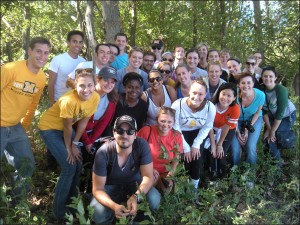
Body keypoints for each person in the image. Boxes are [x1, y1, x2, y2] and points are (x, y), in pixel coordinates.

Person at [38, 68, 99, 220]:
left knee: (78, 162)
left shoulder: (95, 98)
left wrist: (75, 143)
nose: (86, 90)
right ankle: (59, 212)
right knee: (68, 165)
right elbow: (66, 127)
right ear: (75, 86)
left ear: (95, 85)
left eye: (90, 85)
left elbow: (82, 122)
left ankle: (73, 203)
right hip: (50, 129)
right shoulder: (68, 101)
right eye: (82, 86)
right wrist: (69, 148)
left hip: (67, 130)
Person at [1, 37, 51, 200]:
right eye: (38, 51)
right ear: (29, 51)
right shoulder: (10, 69)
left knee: (26, 164)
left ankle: (18, 204)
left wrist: (26, 125)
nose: (42, 56)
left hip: (15, 127)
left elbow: (33, 103)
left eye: (46, 53)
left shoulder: (41, 78)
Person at [90, 115, 161, 224]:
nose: (124, 135)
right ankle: (113, 217)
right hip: (110, 187)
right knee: (97, 212)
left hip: (134, 184)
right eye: (120, 130)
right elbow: (98, 189)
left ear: (135, 134)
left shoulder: (141, 145)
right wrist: (114, 206)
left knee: (154, 198)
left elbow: (148, 176)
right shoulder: (103, 152)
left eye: (130, 131)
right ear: (114, 132)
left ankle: (136, 219)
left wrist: (136, 197)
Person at [79, 67, 118, 193]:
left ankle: (91, 191)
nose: (109, 84)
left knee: (96, 160)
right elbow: (78, 122)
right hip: (78, 132)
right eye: (106, 80)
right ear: (98, 79)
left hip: (94, 135)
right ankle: (77, 191)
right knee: (78, 162)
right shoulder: (86, 94)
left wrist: (92, 142)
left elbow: (103, 124)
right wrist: (87, 142)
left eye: (112, 82)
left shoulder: (112, 99)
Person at [171, 80, 216, 190]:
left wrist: (196, 145)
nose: (196, 97)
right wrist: (186, 148)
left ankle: (194, 187)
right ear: (189, 92)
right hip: (181, 132)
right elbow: (175, 126)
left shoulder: (210, 107)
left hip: (198, 132)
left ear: (205, 94)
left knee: (196, 157)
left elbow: (207, 126)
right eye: (194, 93)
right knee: (185, 158)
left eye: (200, 94)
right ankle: (181, 185)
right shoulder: (178, 105)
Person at [137, 106, 183, 194]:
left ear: (173, 122)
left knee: (166, 189)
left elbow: (176, 159)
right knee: (150, 186)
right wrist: (149, 169)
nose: (165, 125)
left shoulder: (177, 136)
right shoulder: (147, 131)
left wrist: (170, 175)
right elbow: (135, 152)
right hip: (146, 169)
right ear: (157, 120)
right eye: (162, 121)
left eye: (169, 122)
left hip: (164, 172)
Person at [260, 66, 296, 165]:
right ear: (262, 77)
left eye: (271, 76)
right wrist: (268, 129)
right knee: (265, 139)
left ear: (275, 77)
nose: (268, 79)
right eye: (265, 76)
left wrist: (272, 131)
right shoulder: (261, 90)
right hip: (271, 115)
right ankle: (271, 163)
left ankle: (276, 168)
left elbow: (280, 114)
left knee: (273, 138)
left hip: (286, 116)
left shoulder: (281, 90)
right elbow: (264, 112)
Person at [205, 83, 240, 180]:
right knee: (211, 151)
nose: (225, 98)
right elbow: (209, 126)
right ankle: (211, 175)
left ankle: (223, 175)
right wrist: (213, 144)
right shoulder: (210, 105)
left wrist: (219, 144)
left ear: (234, 98)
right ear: (219, 94)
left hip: (227, 130)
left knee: (221, 153)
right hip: (212, 129)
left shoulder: (235, 109)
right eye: (223, 94)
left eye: (229, 96)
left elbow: (226, 127)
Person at [229, 73, 265, 169]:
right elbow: (231, 115)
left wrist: (246, 130)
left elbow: (257, 113)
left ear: (253, 83)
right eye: (243, 83)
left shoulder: (261, 95)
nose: (246, 86)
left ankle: (250, 174)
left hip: (253, 119)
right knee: (235, 148)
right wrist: (237, 131)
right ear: (239, 85)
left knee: (250, 145)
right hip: (235, 120)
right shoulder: (233, 95)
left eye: (249, 82)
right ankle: (234, 171)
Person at [48, 30, 85, 107]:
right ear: (68, 42)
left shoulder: (83, 61)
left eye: (80, 42)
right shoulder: (57, 59)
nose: (78, 45)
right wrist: (52, 103)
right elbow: (51, 83)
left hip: (76, 102)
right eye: (75, 41)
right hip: (58, 101)